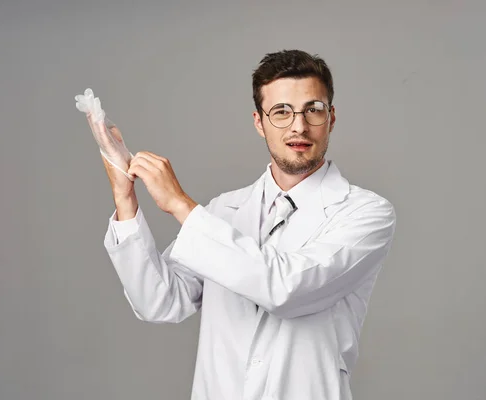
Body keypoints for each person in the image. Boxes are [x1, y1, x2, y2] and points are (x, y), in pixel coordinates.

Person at [102, 49, 396, 400]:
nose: (298, 126)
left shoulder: (365, 213)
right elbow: (160, 301)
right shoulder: (223, 210)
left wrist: (181, 205)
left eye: (312, 110)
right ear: (259, 122)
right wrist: (125, 199)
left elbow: (286, 288)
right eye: (281, 112)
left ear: (331, 118)